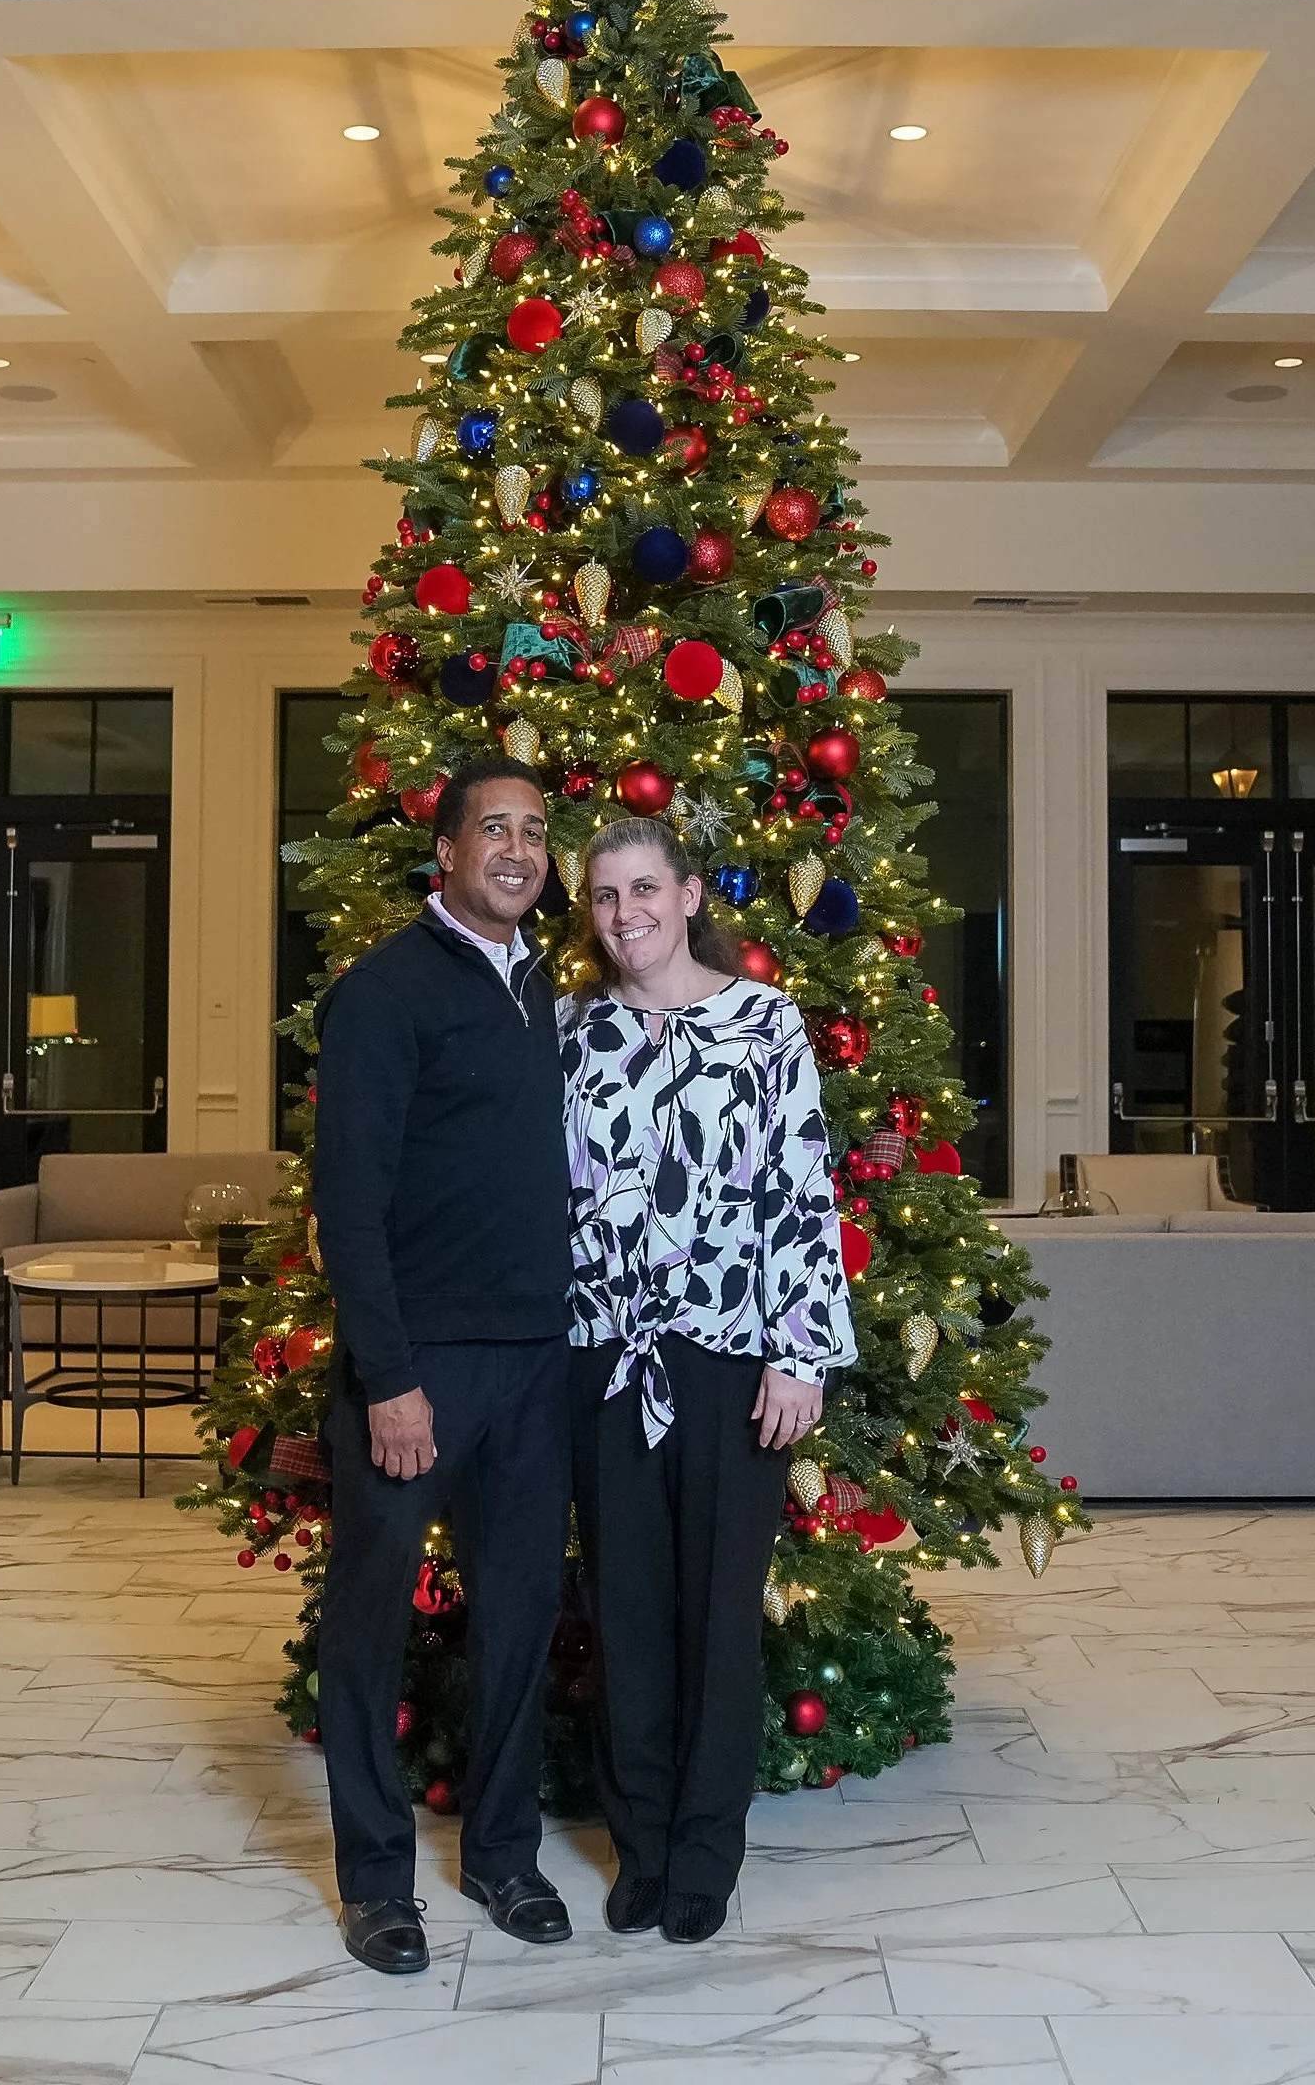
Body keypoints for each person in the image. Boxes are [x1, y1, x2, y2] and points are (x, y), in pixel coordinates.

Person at [560, 816, 858, 1944]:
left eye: (643, 887)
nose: (624, 911)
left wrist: (799, 1349)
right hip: (602, 1356)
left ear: (687, 894)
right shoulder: (570, 1030)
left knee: (715, 1616)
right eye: (602, 895)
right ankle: (640, 1844)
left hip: (732, 1359)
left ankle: (703, 1850)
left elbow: (800, 1191)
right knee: (625, 1615)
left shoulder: (765, 1020)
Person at [311, 757, 575, 1977]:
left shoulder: (542, 987)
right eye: (495, 829)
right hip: (418, 1369)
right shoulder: (384, 992)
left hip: (536, 1362)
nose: (517, 848)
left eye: (535, 830)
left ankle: (505, 1854)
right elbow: (350, 1206)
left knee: (517, 1618)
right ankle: (375, 1879)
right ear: (449, 849)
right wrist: (390, 1375)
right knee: (367, 1621)